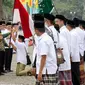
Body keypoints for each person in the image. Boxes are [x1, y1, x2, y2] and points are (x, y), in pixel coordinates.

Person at [34, 15, 59, 85]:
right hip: (48, 69)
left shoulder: (44, 41)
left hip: (46, 71)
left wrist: (40, 72)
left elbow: (43, 57)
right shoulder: (46, 38)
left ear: (36, 29)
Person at [55, 15, 72, 85]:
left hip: (63, 57)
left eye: (57, 21)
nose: (55, 23)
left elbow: (64, 46)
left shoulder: (63, 32)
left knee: (64, 80)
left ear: (62, 21)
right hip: (65, 57)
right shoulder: (63, 30)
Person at [66, 20, 80, 85]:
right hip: (75, 57)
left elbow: (72, 46)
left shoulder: (72, 34)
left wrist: (70, 56)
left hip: (73, 58)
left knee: (74, 75)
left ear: (68, 26)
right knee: (75, 75)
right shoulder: (74, 33)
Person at [73, 18, 85, 85]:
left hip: (75, 52)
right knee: (81, 68)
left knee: (76, 68)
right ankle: (82, 81)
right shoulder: (83, 32)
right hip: (81, 52)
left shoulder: (73, 32)